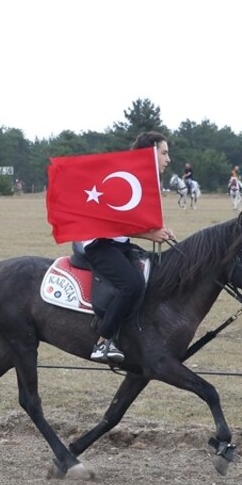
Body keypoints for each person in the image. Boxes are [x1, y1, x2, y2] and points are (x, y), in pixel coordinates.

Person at [79, 132, 177, 363]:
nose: (168, 159)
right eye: (164, 153)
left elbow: (134, 218)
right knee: (132, 285)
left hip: (119, 243)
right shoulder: (125, 177)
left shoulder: (143, 179)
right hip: (100, 244)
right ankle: (102, 343)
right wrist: (150, 234)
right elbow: (112, 223)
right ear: (149, 153)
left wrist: (160, 229)